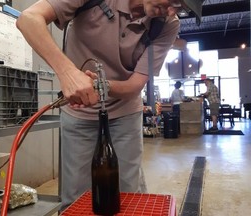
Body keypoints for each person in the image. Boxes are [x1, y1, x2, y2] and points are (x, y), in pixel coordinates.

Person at [16, 0, 204, 211]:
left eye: (180, 9)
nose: (171, 11)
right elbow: (29, 19)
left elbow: (134, 85)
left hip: (125, 114)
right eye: (174, 1)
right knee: (77, 199)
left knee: (127, 196)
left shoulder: (168, 24)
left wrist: (97, 86)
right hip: (79, 115)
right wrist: (68, 73)